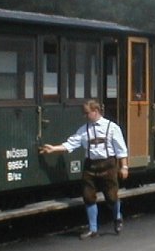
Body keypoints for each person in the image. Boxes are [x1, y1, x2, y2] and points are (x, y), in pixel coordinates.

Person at [39, 99, 129, 239]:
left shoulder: (112, 127)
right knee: (88, 197)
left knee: (111, 197)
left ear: (96, 111)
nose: (85, 116)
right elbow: (71, 144)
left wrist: (124, 167)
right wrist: (53, 149)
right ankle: (93, 229)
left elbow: (121, 149)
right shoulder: (83, 130)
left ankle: (117, 217)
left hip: (108, 165)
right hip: (90, 166)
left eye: (87, 113)